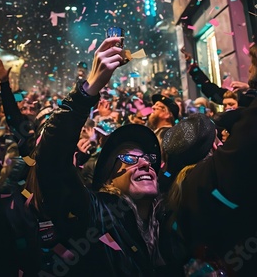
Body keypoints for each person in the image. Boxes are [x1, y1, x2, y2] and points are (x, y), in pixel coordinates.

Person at [34, 37, 167, 276]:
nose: (145, 162)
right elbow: (52, 160)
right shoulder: (96, 214)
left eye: (147, 157)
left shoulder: (169, 219)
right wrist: (89, 90)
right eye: (128, 158)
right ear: (108, 179)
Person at [162, 95, 257, 276]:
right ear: (213, 148)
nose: (223, 143)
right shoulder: (205, 179)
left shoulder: (179, 189)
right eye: (218, 140)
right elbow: (247, 142)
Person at [181, 44, 257, 107]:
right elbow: (215, 93)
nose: (249, 69)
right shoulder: (250, 97)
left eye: (253, 64)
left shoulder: (251, 100)